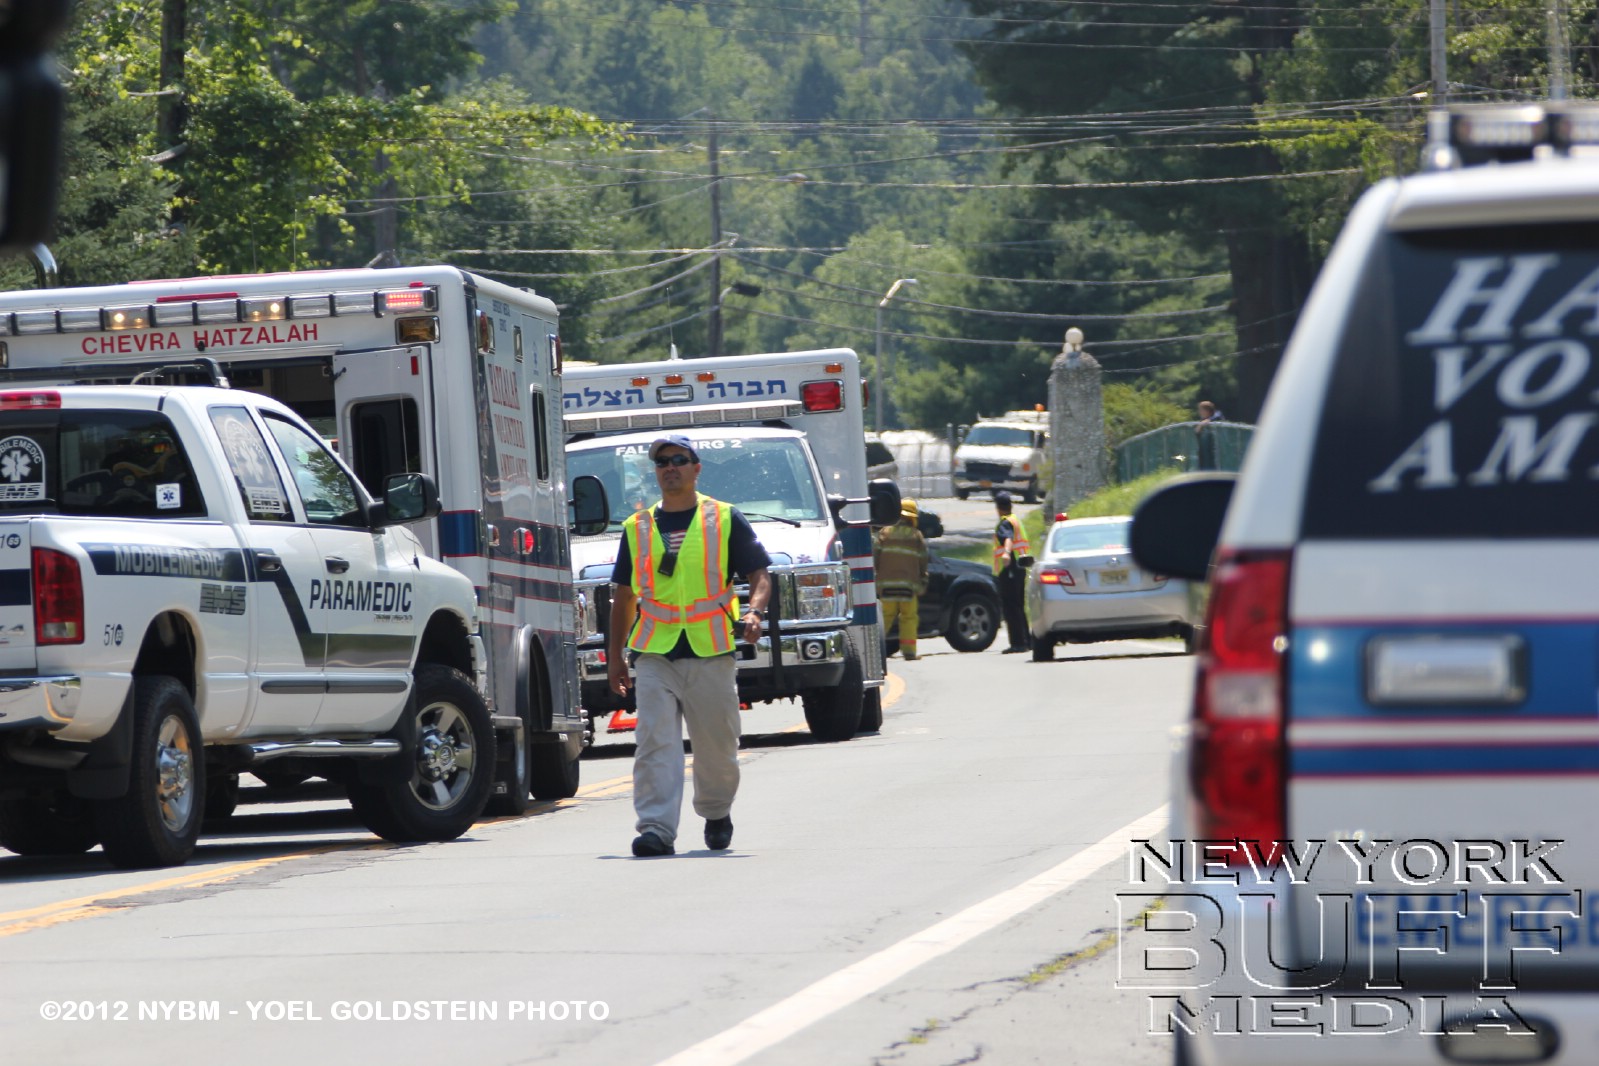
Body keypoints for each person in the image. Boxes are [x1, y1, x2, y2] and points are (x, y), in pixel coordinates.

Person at [607, 433, 773, 858]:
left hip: (711, 649)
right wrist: (614, 659)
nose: (670, 467)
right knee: (654, 744)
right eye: (662, 462)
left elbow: (760, 575)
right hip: (654, 653)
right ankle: (656, 830)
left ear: (697, 469)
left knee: (717, 747)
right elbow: (624, 596)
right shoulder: (637, 527)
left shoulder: (724, 517)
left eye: (679, 460)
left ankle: (716, 812)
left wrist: (753, 612)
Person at [875, 498, 929, 660]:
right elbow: (923, 561)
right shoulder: (916, 536)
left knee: (885, 618)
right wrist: (923, 580)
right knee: (908, 618)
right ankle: (909, 652)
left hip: (886, 587)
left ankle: (874, 651)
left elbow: (875, 557)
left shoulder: (885, 532)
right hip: (908, 587)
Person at [992, 490, 1032, 653]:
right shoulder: (1016, 520)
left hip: (1010, 568)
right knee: (1019, 605)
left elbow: (1007, 538)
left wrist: (1006, 553)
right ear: (1010, 506)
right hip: (1020, 568)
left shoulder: (1005, 523)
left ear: (998, 508)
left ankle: (1018, 643)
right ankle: (1027, 641)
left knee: (1010, 607)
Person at [1194, 400, 1224, 471]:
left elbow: (1218, 417)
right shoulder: (1202, 420)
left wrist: (1206, 422)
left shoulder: (1216, 417)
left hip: (1217, 452)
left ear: (1207, 411)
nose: (1199, 412)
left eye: (1201, 410)